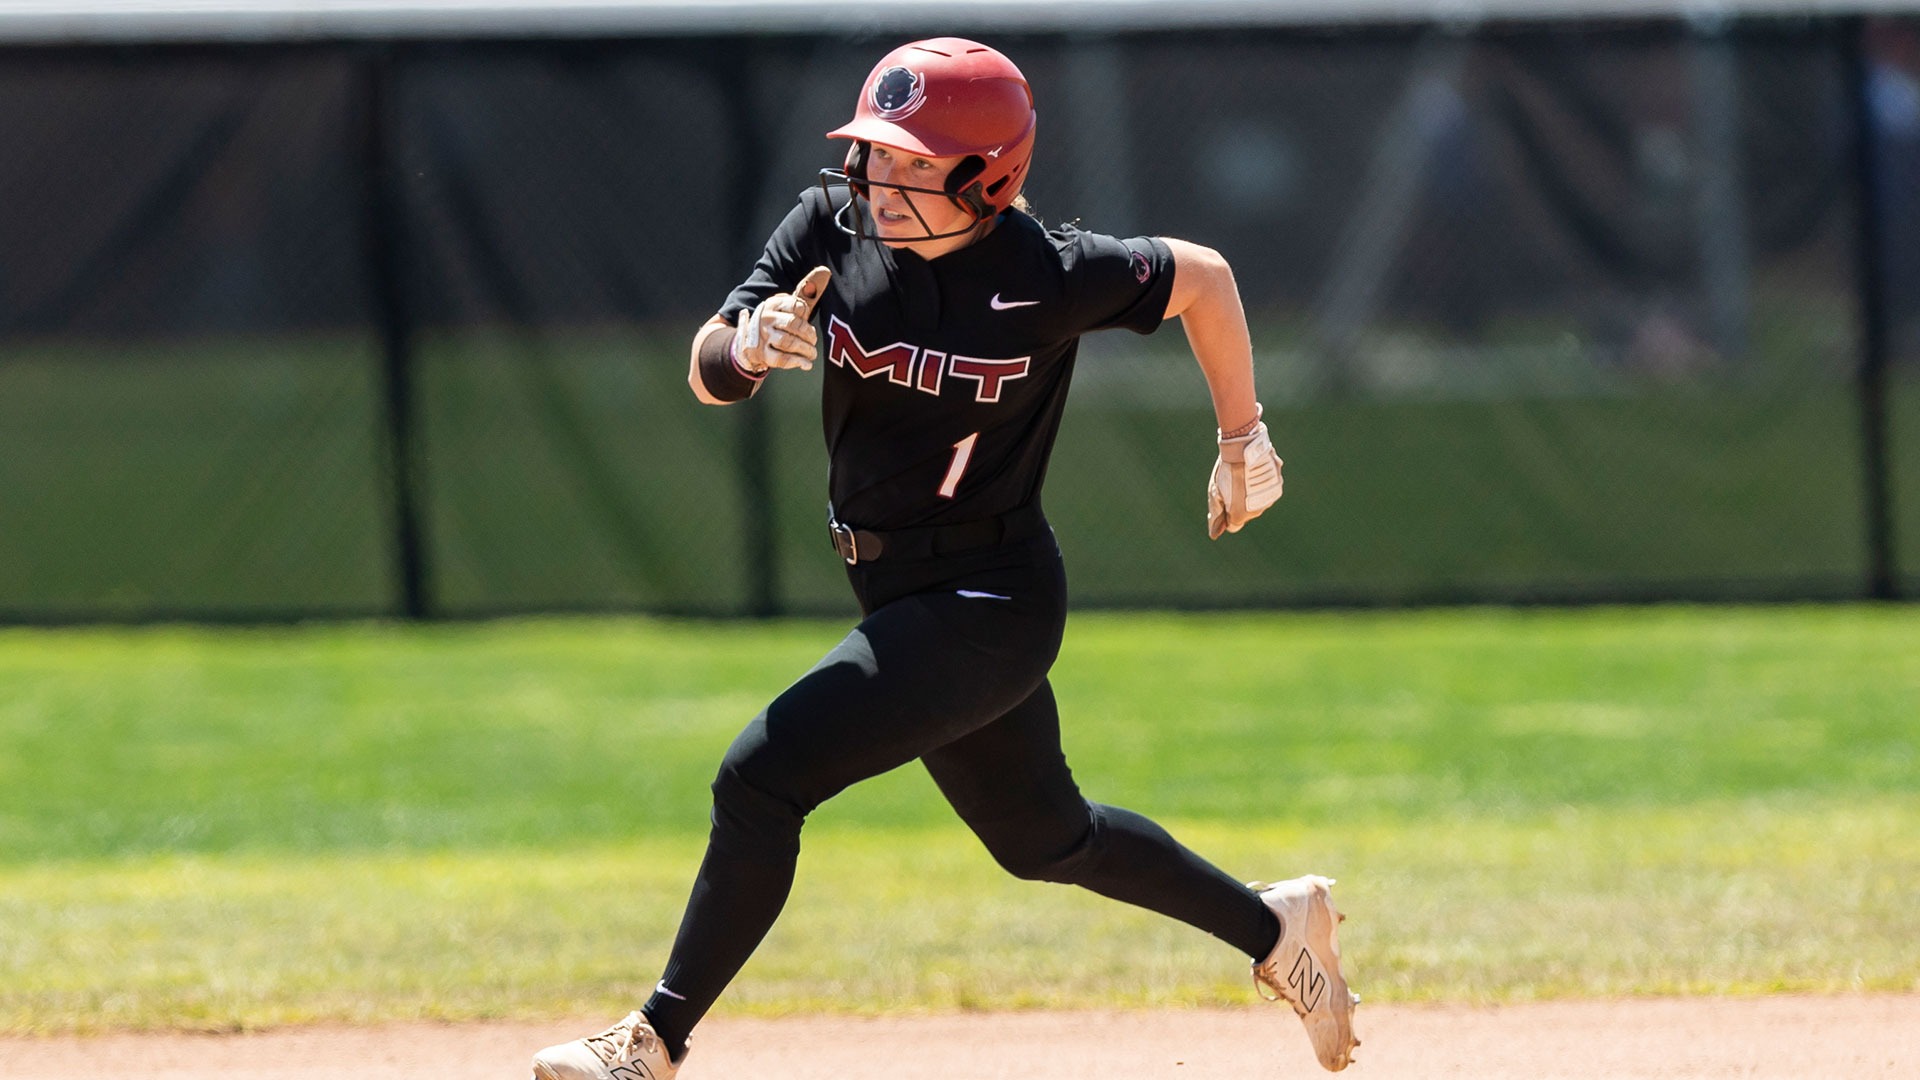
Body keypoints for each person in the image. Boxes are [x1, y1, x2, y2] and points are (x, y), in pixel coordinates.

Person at [532, 37, 1358, 1080]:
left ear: (990, 175)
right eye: (877, 152)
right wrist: (745, 347)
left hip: (992, 597)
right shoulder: (834, 224)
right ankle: (1279, 932)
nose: (884, 178)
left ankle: (649, 1043)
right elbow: (711, 364)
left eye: (918, 162)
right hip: (897, 588)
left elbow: (1205, 276)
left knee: (761, 778)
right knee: (1047, 842)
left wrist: (1244, 436)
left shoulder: (1046, 272)